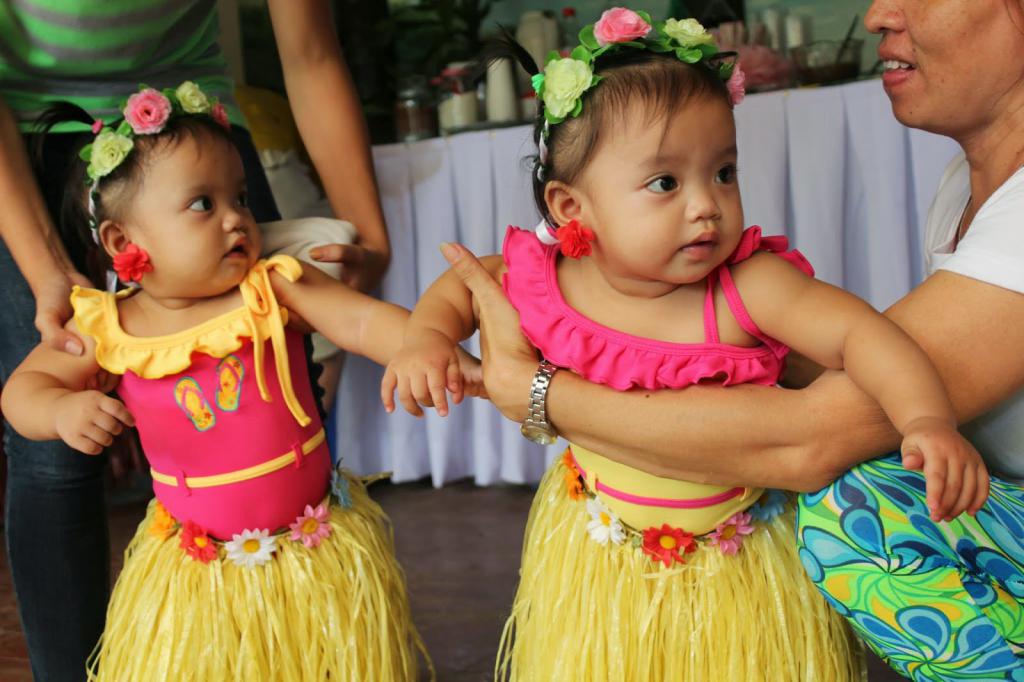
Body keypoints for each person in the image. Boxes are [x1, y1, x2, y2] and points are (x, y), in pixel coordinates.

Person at [382, 10, 985, 679]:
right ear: (570, 208)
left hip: (740, 570)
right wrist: (426, 341)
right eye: (665, 183)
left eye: (723, 171)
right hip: (600, 560)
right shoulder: (549, 281)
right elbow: (465, 287)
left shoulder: (749, 287)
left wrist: (924, 418)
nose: (707, 204)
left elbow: (866, 335)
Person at [0, 2, 388, 678]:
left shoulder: (226, 211)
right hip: (32, 140)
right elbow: (29, 392)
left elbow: (311, 53)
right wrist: (49, 276)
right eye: (224, 207)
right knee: (54, 464)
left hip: (197, 136)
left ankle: (299, 651)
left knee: (277, 388)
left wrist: (369, 239)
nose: (243, 222)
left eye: (242, 205)